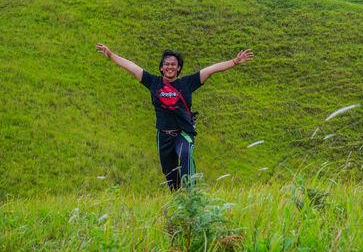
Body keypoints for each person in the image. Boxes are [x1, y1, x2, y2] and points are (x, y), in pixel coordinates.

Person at [95, 43, 254, 190]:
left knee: (185, 154)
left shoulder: (187, 83)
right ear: (161, 68)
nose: (170, 66)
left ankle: (192, 194)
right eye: (166, 64)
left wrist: (234, 61)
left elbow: (210, 69)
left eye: (173, 64)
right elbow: (131, 66)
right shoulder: (153, 82)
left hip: (183, 133)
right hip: (163, 136)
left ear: (178, 68)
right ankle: (180, 202)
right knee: (171, 177)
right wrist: (111, 55)